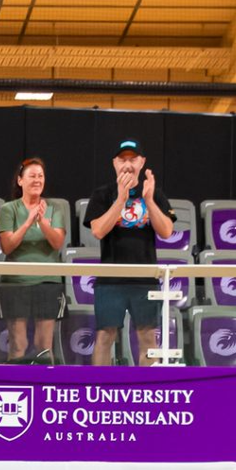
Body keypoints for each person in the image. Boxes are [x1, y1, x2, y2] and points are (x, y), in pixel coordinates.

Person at [83, 139, 175, 366]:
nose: (127, 164)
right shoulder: (103, 194)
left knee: (147, 338)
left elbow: (166, 231)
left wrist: (149, 201)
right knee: (105, 337)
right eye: (122, 159)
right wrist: (121, 199)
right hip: (110, 280)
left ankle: (146, 391)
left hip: (145, 279)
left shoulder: (153, 192)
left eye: (132, 159)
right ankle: (100, 389)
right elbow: (97, 231)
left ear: (142, 162)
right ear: (114, 163)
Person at [0, 157, 67, 363]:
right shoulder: (9, 209)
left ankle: (45, 388)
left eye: (40, 176)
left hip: (48, 282)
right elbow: (7, 246)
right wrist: (28, 221)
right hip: (15, 283)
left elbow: (57, 243)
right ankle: (16, 386)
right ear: (20, 181)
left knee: (44, 345)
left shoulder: (55, 208)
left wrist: (42, 222)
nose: (37, 180)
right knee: (18, 344)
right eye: (32, 176)